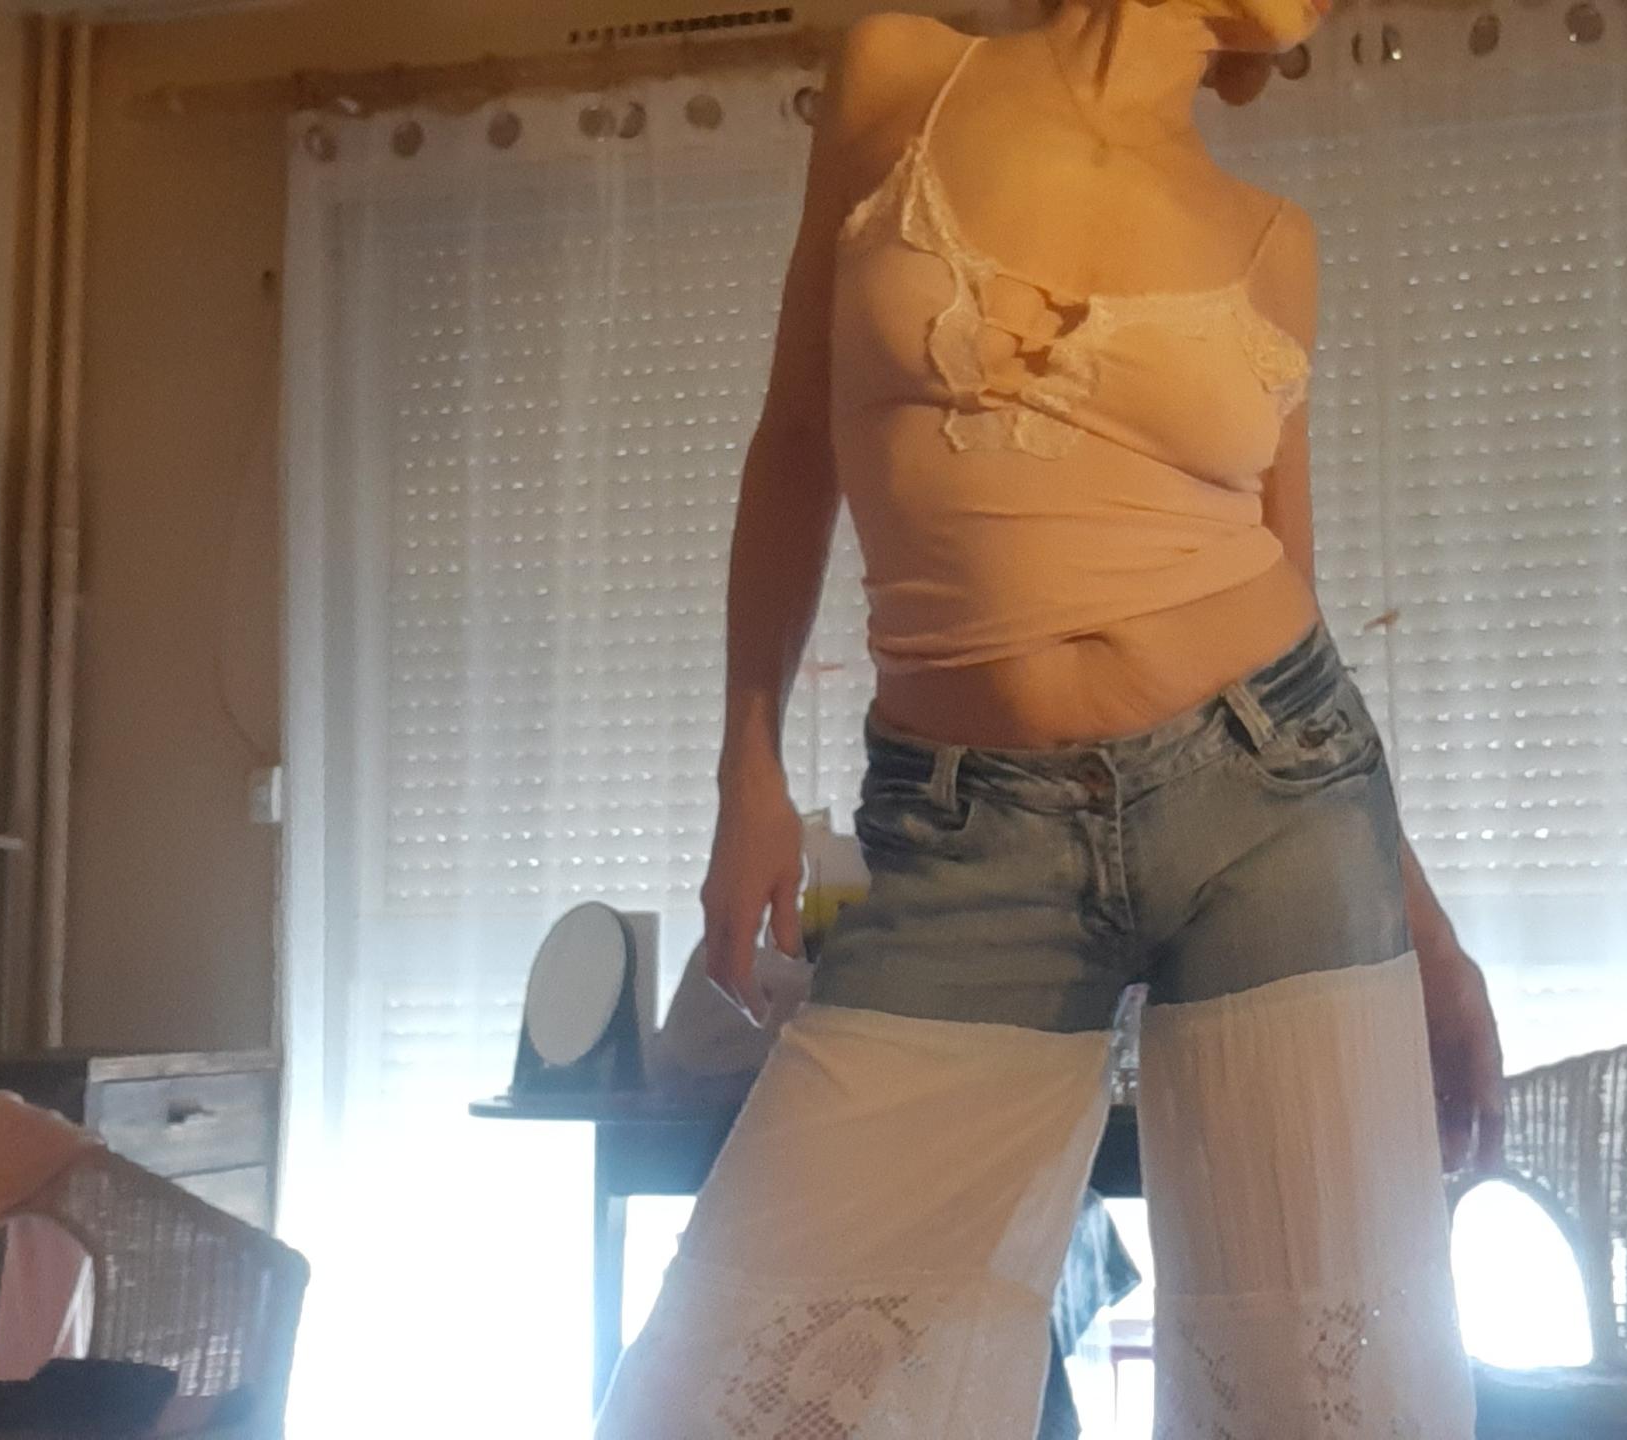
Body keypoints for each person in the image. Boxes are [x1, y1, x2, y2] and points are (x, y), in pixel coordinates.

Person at [594, 0, 1503, 1434]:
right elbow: (795, 438)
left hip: (1274, 801)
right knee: (743, 1379)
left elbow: (1298, 596)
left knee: (1319, 1379)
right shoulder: (902, 77)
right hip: (966, 837)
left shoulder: (1272, 240)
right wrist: (746, 766)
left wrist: (1430, 941)